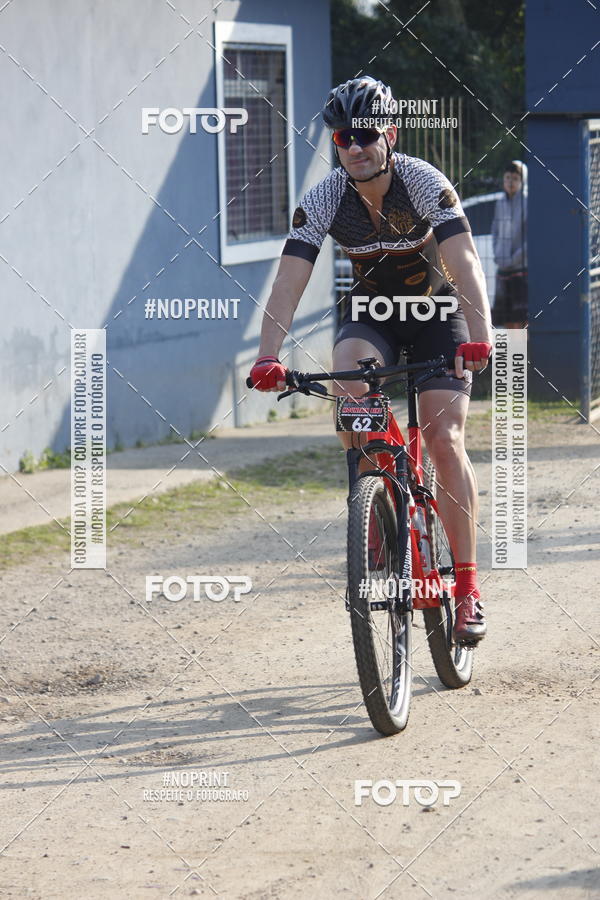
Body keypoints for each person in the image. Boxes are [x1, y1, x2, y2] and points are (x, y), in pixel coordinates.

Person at [248, 77, 492, 643]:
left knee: (443, 437)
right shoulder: (324, 198)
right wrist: (268, 355)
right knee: (350, 394)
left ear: (390, 133)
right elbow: (287, 282)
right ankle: (376, 498)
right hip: (372, 314)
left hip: (436, 314)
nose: (354, 146)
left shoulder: (425, 183)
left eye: (365, 134)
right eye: (341, 137)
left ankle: (468, 587)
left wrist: (479, 334)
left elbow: (466, 261)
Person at [491, 161, 528, 328]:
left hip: (521, 269)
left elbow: (530, 237)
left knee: (521, 317)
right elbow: (495, 231)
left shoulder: (528, 201)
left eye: (515, 178)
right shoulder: (500, 202)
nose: (510, 182)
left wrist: (515, 258)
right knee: (505, 318)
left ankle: (523, 353)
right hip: (502, 268)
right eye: (507, 178)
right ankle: (510, 353)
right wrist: (498, 254)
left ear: (523, 180)